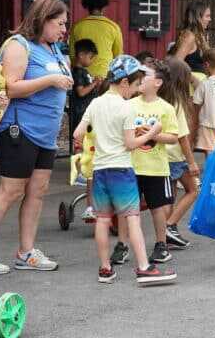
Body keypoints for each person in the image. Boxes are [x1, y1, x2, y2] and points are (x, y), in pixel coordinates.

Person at [0, 0, 74, 275]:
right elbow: (11, 87)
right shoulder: (18, 45)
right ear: (43, 19)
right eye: (59, 23)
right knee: (10, 191)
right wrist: (50, 80)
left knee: (38, 190)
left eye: (65, 24)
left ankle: (26, 252)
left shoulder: (53, 48)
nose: (63, 30)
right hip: (19, 129)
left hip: (45, 134)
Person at [73, 54, 177, 285]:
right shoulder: (126, 108)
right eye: (136, 83)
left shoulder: (96, 103)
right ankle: (143, 268)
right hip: (121, 169)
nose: (137, 88)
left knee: (102, 219)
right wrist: (152, 133)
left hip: (100, 170)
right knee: (132, 218)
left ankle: (105, 269)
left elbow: (77, 134)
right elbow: (130, 144)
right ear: (123, 82)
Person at [128, 61, 180, 264]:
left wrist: (152, 134)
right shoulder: (130, 104)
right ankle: (123, 244)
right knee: (128, 208)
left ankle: (161, 244)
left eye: (145, 75)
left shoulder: (165, 108)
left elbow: (173, 136)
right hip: (132, 165)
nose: (140, 78)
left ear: (158, 82)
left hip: (156, 167)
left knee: (157, 207)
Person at [162, 58, 199, 250]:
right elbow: (183, 137)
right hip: (176, 156)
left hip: (162, 156)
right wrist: (192, 162)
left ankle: (167, 230)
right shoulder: (177, 103)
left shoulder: (161, 100)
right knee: (193, 190)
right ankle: (168, 226)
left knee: (171, 195)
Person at [69, 0, 123, 79]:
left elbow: (72, 54)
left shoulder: (77, 26)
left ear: (87, 7)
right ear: (104, 7)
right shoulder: (113, 27)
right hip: (105, 75)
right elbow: (118, 55)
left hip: (82, 76)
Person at [192, 48, 215, 156]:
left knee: (209, 152)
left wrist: (195, 122)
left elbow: (196, 103)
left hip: (207, 122)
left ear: (207, 64)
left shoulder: (205, 83)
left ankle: (211, 171)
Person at [69, 39, 102, 136]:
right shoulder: (78, 72)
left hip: (86, 110)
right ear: (81, 55)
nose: (92, 60)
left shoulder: (84, 71)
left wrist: (96, 84)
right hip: (80, 112)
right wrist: (94, 83)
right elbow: (81, 92)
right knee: (81, 137)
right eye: (91, 57)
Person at [172, 1, 212, 75]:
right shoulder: (189, 36)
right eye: (207, 16)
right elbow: (176, 64)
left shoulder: (200, 36)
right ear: (198, 17)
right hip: (190, 85)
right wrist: (192, 79)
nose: (210, 19)